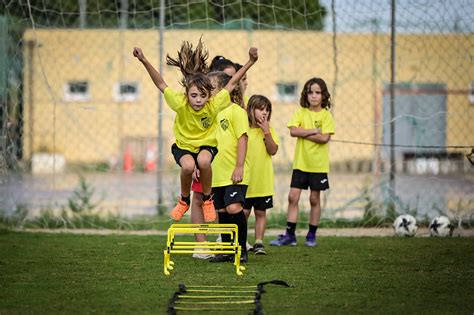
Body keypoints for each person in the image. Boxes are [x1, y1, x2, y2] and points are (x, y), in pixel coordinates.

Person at [133, 40, 258, 223]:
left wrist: (250, 62)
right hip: (184, 146)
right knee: (188, 166)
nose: (198, 100)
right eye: (193, 96)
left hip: (206, 146)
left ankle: (208, 199)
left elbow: (231, 84)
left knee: (204, 161)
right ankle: (184, 200)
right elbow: (160, 83)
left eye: (202, 96)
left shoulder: (213, 106)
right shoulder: (179, 103)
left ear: (209, 96)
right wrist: (143, 59)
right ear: (186, 95)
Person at [270, 77, 335, 247]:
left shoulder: (326, 116)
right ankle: (290, 235)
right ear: (306, 95)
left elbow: (324, 138)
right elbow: (293, 131)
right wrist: (313, 130)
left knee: (314, 199)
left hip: (318, 165)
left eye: (317, 92)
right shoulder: (300, 113)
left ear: (323, 95)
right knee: (293, 197)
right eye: (310, 92)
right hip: (301, 164)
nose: (314, 96)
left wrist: (304, 132)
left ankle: (311, 235)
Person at [207, 70, 250, 263]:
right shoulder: (209, 112)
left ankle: (241, 249)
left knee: (234, 208)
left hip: (235, 172)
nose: (207, 90)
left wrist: (239, 166)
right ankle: (226, 250)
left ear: (225, 90)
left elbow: (242, 139)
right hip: (216, 173)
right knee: (222, 211)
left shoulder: (236, 111)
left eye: (211, 87)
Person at [243, 95, 279, 255]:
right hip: (245, 181)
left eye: (267, 110)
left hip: (262, 182)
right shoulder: (243, 130)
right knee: (242, 213)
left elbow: (273, 150)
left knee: (260, 212)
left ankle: (259, 242)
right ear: (251, 110)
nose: (264, 113)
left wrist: (266, 132)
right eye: (260, 109)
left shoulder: (269, 132)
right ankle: (242, 241)